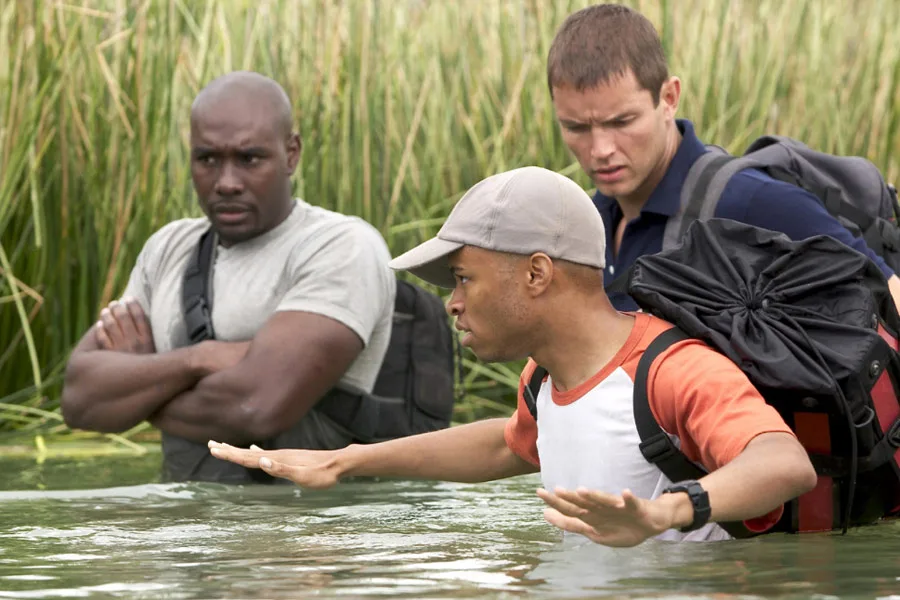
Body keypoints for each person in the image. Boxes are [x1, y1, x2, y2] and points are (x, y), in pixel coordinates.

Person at [207, 166, 817, 547]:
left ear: (536, 274)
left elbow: (784, 463)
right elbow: (508, 444)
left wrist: (666, 513)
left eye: (463, 278)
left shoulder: (670, 369)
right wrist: (348, 460)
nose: (452, 303)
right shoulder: (543, 378)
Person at [60, 71, 397, 484]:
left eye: (249, 159)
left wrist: (137, 390)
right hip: (183, 519)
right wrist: (198, 359)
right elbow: (79, 401)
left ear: (291, 154)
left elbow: (256, 408)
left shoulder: (342, 246)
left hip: (306, 522)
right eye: (207, 159)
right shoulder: (167, 248)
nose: (226, 183)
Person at [545, 3, 900, 311]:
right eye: (576, 127)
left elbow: (890, 296)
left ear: (669, 98)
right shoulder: (587, 222)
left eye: (622, 121)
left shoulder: (751, 202)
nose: (600, 149)